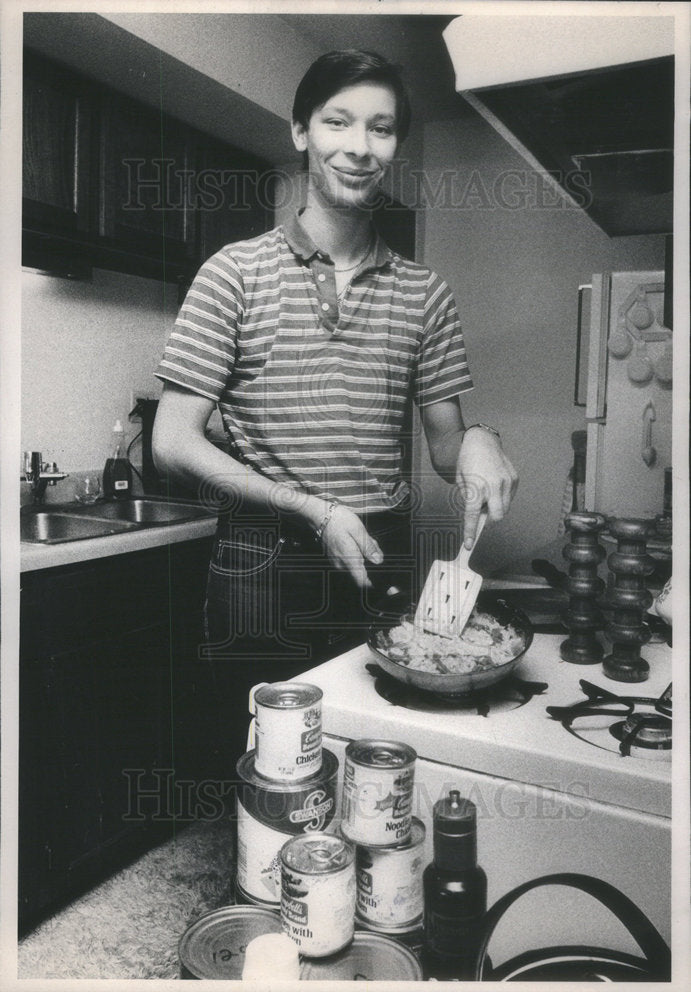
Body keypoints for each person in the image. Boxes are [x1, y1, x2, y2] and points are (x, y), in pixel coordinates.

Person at [152, 50, 518, 767]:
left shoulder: (425, 292)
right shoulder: (234, 272)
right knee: (274, 769)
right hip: (262, 556)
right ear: (299, 132)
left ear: (394, 148)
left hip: (379, 551)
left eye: (380, 129)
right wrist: (315, 510)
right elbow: (172, 440)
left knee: (373, 759)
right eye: (338, 121)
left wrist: (480, 439)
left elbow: (447, 447)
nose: (358, 146)